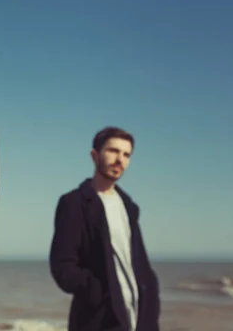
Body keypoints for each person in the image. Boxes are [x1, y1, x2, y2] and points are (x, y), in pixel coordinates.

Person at [49, 127, 160, 331]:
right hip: (98, 320)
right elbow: (62, 265)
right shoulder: (73, 203)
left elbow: (139, 263)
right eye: (113, 151)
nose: (120, 159)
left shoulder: (129, 207)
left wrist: (150, 292)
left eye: (126, 154)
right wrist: (96, 290)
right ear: (95, 155)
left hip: (138, 319)